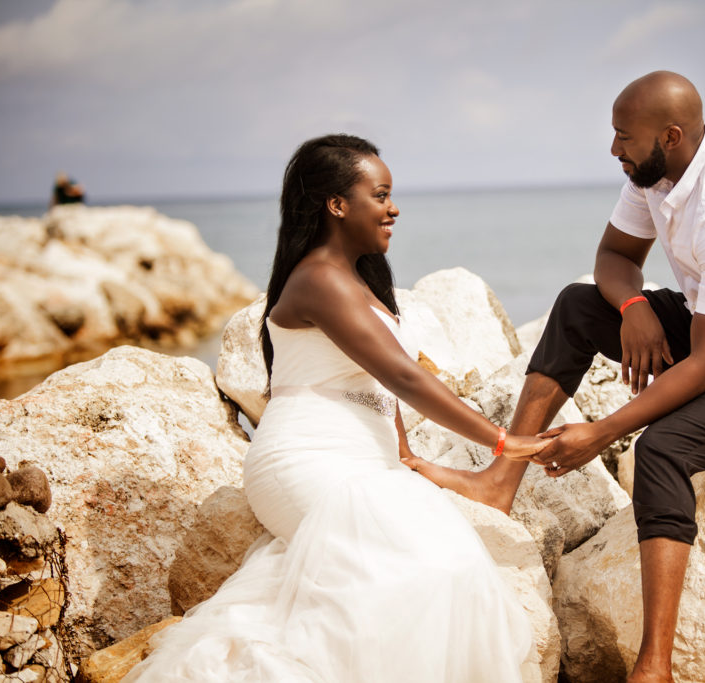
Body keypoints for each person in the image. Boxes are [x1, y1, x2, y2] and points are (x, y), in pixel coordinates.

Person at [414, 71, 705, 683]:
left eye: (624, 136)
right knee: (576, 304)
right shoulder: (654, 173)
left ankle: (655, 667)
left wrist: (600, 432)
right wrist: (635, 308)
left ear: (670, 136)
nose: (614, 149)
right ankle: (500, 481)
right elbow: (615, 259)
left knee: (663, 449)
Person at [123, 134, 545, 682]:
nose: (393, 208)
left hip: (366, 466)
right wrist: (502, 442)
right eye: (381, 194)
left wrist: (405, 452)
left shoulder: (358, 279)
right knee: (414, 576)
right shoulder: (319, 278)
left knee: (455, 567)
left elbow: (378, 379)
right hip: (306, 460)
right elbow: (401, 372)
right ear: (337, 204)